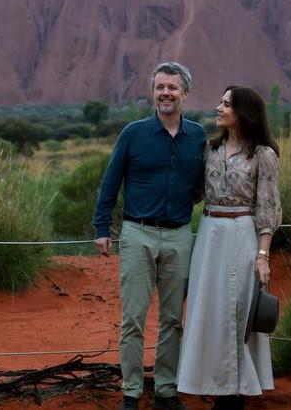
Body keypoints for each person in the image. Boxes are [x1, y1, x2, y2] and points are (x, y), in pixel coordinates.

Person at [93, 61, 207, 410]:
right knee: (133, 317)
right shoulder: (134, 133)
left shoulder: (198, 136)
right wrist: (102, 228)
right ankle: (130, 391)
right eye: (160, 87)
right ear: (152, 92)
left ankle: (166, 390)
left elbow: (202, 186)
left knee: (174, 318)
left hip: (178, 235)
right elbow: (110, 182)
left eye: (172, 88)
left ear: (185, 93)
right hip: (137, 233)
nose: (165, 94)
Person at [176, 86, 282, 410]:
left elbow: (268, 207)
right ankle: (216, 384)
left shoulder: (263, 155)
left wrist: (263, 255)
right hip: (209, 233)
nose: (218, 108)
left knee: (237, 312)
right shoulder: (210, 149)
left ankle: (234, 393)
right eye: (220, 101)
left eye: (226, 104)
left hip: (242, 234)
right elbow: (193, 192)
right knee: (209, 309)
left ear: (243, 113)